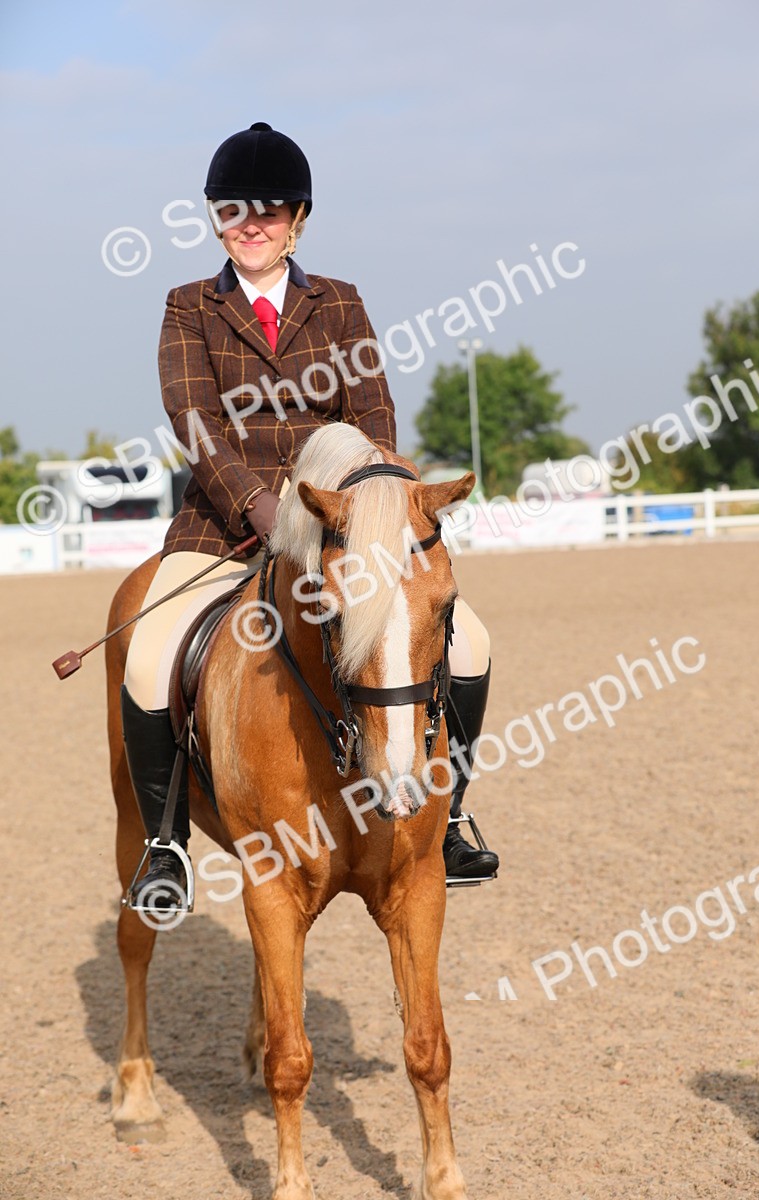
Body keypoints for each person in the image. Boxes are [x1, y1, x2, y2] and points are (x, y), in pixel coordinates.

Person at [121, 122, 499, 907]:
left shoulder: (341, 304)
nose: (249, 223)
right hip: (225, 530)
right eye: (232, 209)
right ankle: (166, 844)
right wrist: (260, 508)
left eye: (268, 210)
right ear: (217, 218)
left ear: (298, 219)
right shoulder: (188, 307)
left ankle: (450, 815)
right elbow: (193, 421)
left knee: (471, 646)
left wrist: (373, 509)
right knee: (150, 652)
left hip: (339, 531)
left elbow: (374, 413)